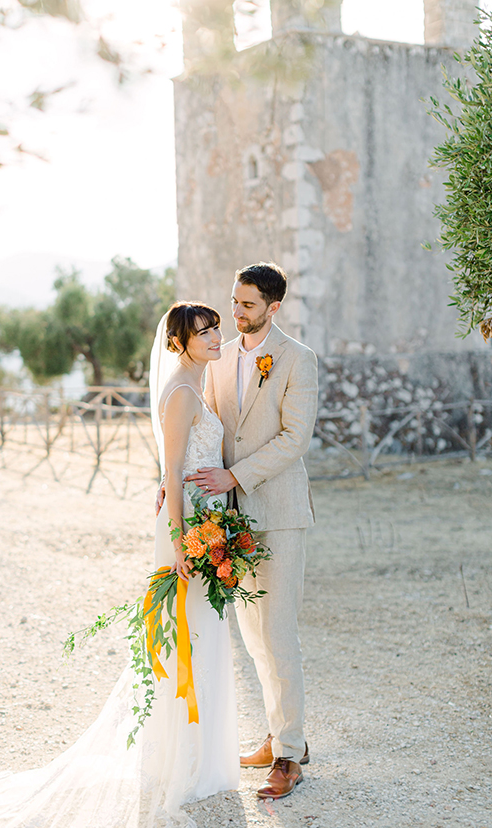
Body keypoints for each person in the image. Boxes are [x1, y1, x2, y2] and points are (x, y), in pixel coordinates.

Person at [0, 301, 239, 828]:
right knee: (187, 636)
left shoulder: (198, 383)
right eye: (205, 331)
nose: (216, 336)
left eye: (217, 327)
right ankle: (181, 761)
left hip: (207, 522)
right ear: (179, 342)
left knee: (204, 634)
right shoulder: (180, 392)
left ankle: (198, 755)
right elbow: (172, 471)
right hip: (187, 529)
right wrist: (180, 541)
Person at [185, 262, 318, 801]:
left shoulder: (298, 359)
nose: (235, 313)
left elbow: (295, 439)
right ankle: (280, 734)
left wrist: (235, 476)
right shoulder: (219, 359)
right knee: (252, 636)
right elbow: (210, 425)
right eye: (234, 302)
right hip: (231, 517)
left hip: (281, 512)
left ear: (273, 307)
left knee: (278, 634)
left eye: (247, 305)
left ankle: (290, 756)